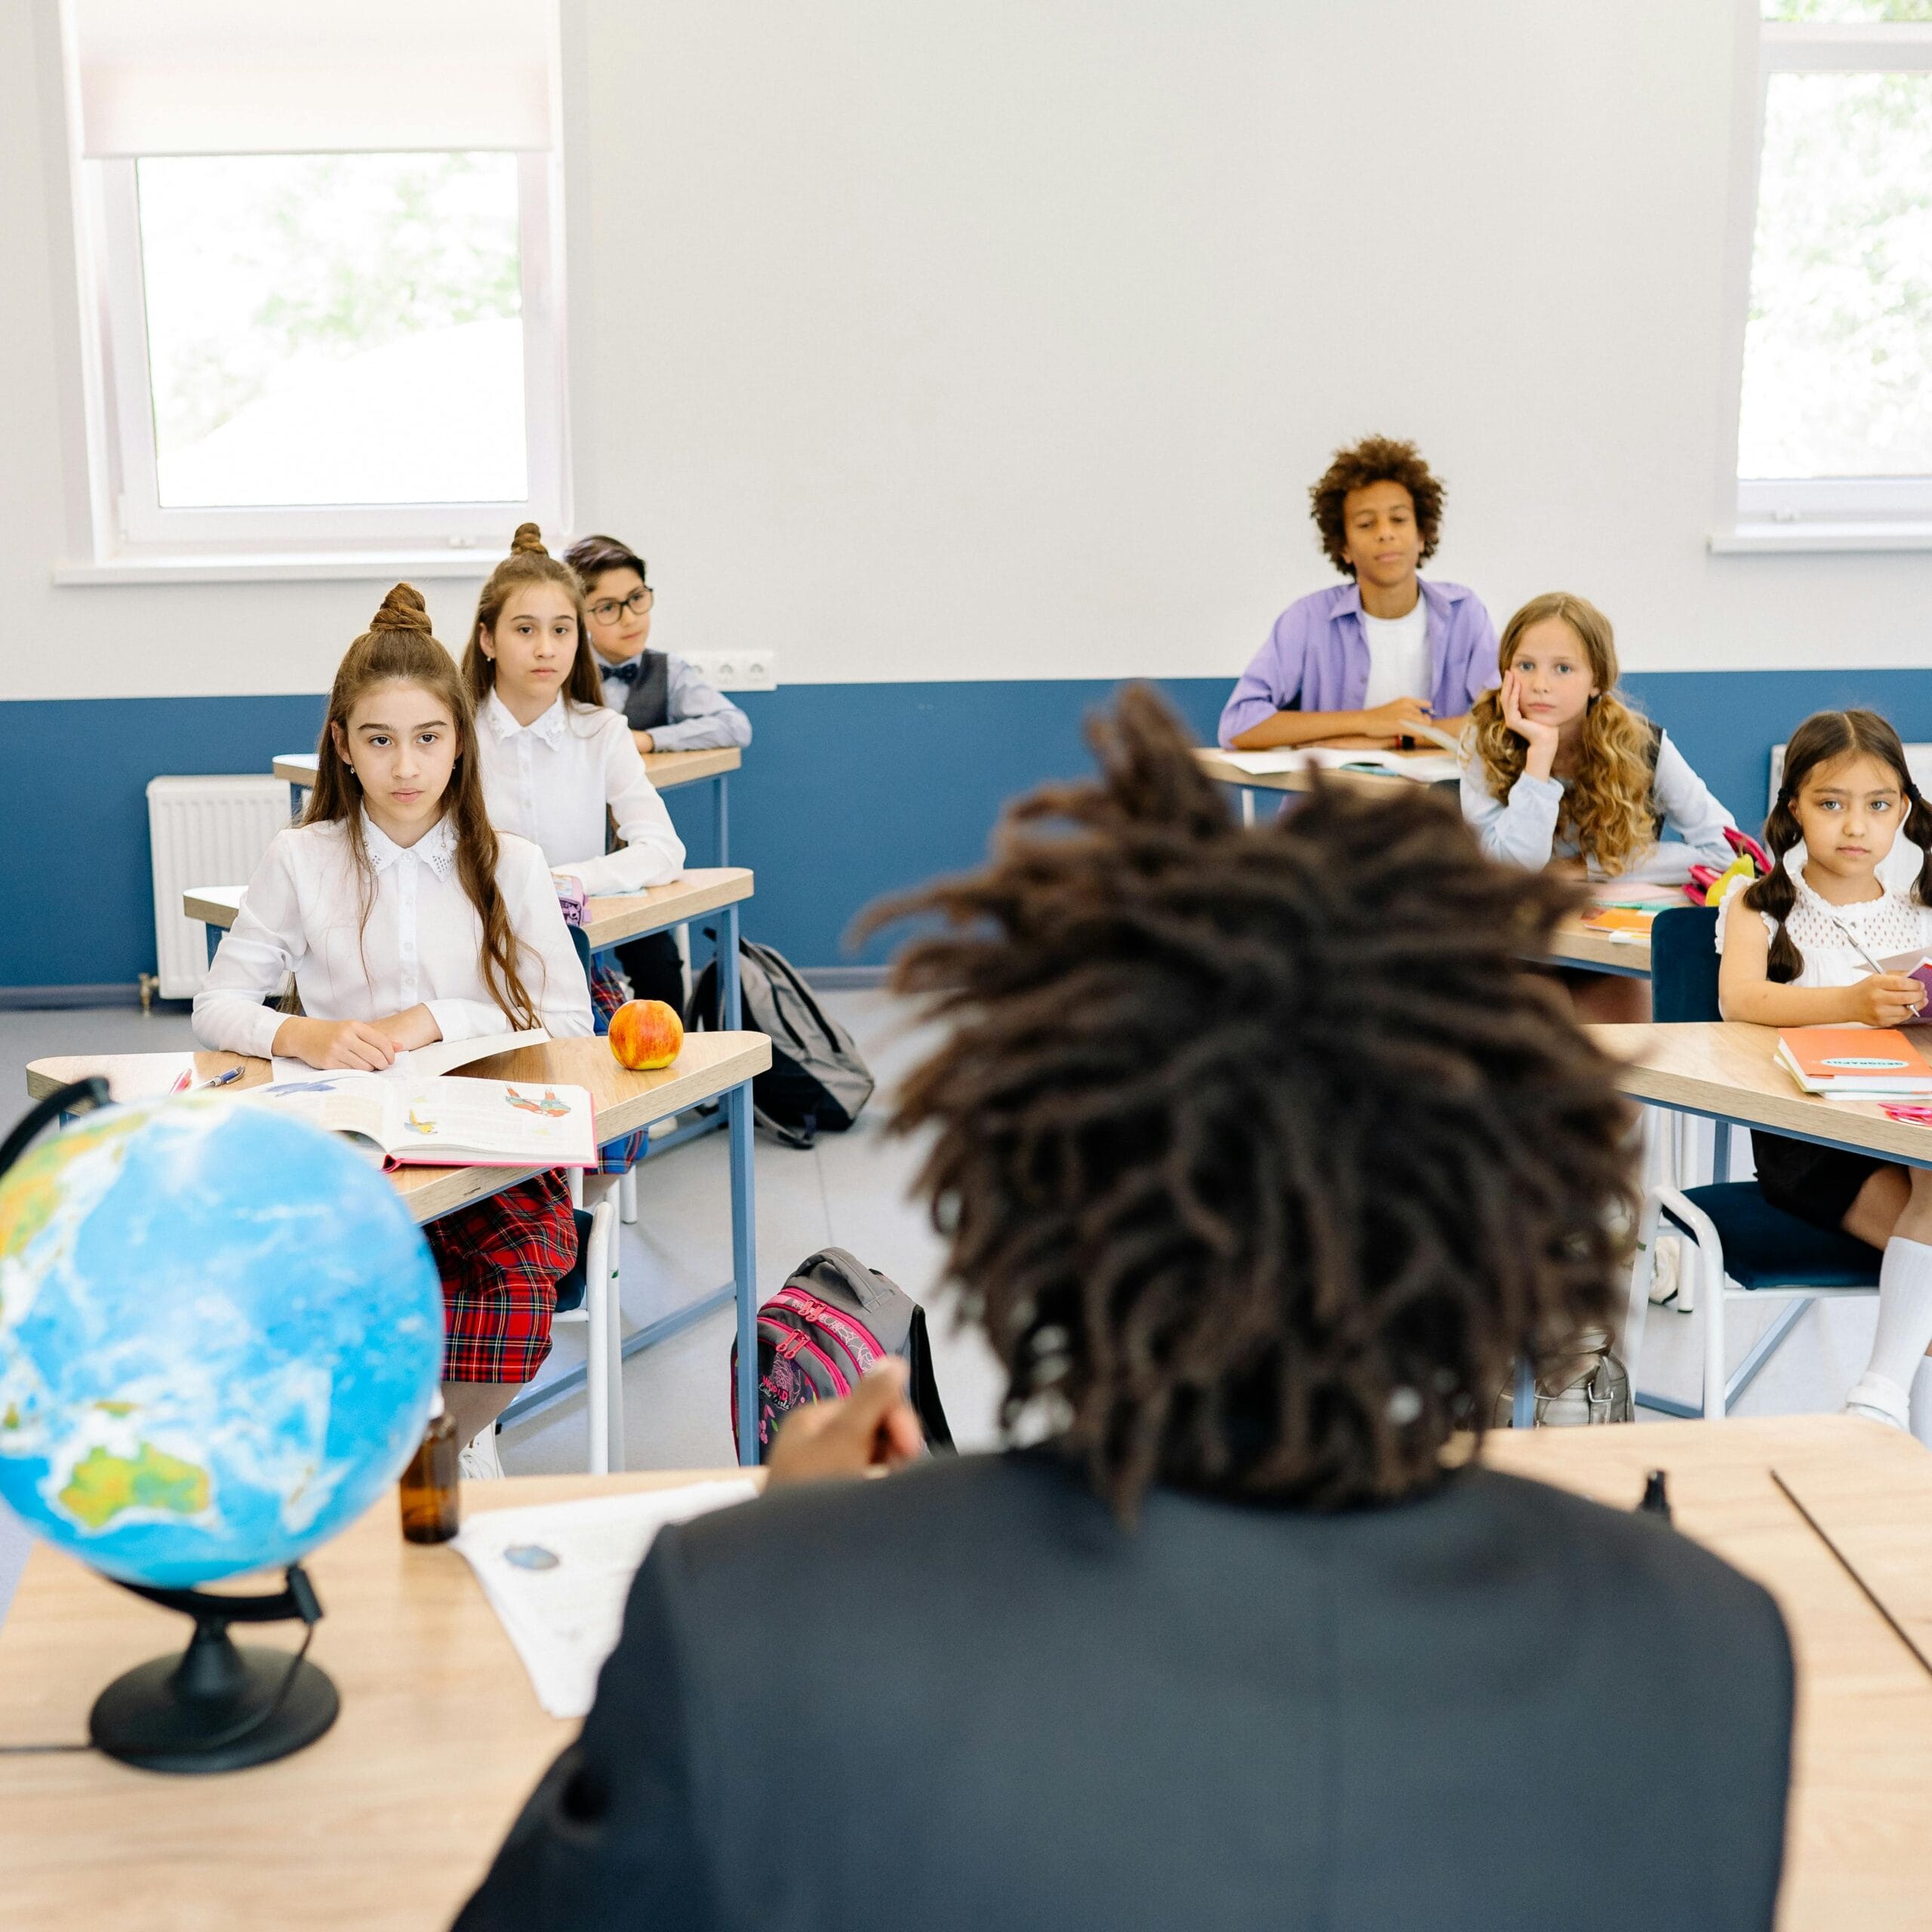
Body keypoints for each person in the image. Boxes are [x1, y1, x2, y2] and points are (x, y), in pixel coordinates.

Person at [458, 688, 1792, 1932]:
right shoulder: (1712, 1647)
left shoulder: (751, 1614)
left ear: (1029, 1201)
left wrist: (801, 1558)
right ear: (1504, 1211)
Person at [194, 586, 592, 1477]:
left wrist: (437, 1019)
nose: (406, 766)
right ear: (341, 744)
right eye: (379, 740)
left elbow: (568, 1019)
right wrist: (305, 1035)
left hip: (487, 1146)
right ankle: (384, 1452)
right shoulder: (303, 858)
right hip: (348, 1148)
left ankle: (449, 1444)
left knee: (516, 1282)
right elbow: (216, 1005)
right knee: (310, 1287)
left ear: (461, 740)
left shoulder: (513, 863)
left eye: (428, 738)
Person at [1718, 708, 1932, 1434]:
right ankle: (1885, 1411)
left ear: (1903, 811)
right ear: (1793, 810)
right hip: (1811, 1144)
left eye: (1878, 806)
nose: (1856, 826)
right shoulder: (1759, 906)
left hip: (1906, 1127)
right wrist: (1852, 1004)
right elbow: (1741, 1001)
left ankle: (1879, 1403)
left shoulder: (1918, 915)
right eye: (1831, 804)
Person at [1462, 591, 1735, 1020]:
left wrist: (1588, 867)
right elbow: (1512, 868)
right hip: (1514, 944)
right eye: (1526, 666)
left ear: (1597, 681)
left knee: (1622, 1034)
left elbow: (1727, 853)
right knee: (1539, 1019)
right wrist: (1540, 757)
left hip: (1604, 947)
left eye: (1563, 669)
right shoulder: (1485, 739)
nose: (1541, 684)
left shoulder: (1641, 743)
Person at [1218, 435, 1497, 752]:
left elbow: (1502, 723)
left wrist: (1397, 737)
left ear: (1422, 535)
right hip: (1336, 785)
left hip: (1436, 786)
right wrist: (1366, 721)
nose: (1385, 533)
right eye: (1366, 524)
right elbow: (1238, 725)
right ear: (1344, 547)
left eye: (1399, 519)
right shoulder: (1308, 619)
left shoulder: (1463, 612)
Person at [564, 531, 747, 1013]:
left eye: (637, 599)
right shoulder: (555, 672)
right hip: (562, 859)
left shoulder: (668, 670)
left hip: (628, 858)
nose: (629, 618)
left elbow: (734, 725)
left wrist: (648, 738)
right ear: (576, 616)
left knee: (662, 971)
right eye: (607, 607)